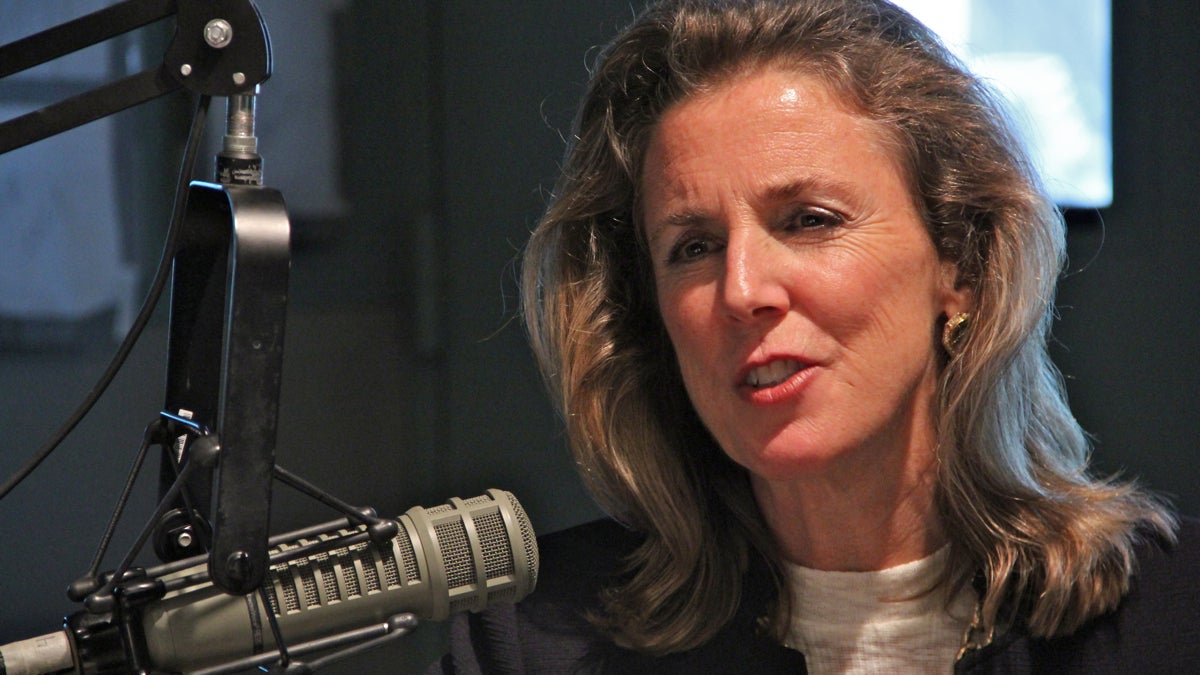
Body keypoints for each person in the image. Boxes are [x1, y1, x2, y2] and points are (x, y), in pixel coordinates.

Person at [432, 0, 1199, 672]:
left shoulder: (1173, 621)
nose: (741, 291)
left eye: (809, 221)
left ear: (960, 261)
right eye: (692, 246)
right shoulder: (533, 643)